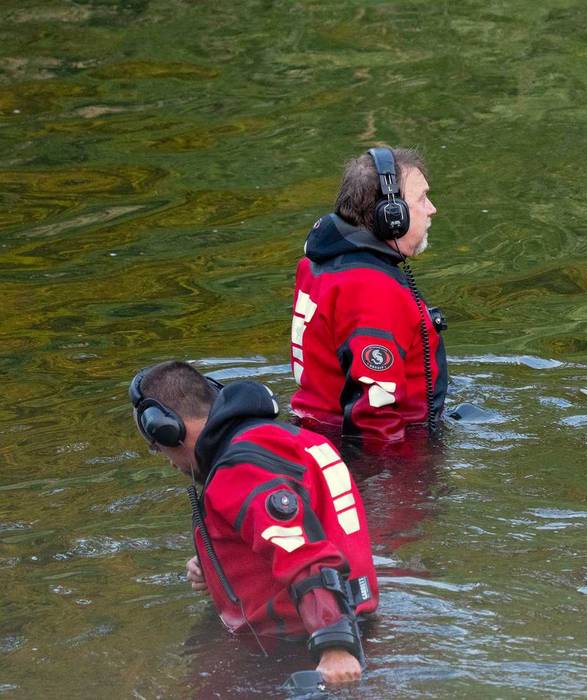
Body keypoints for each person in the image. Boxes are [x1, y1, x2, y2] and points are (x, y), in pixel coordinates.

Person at [129, 361, 378, 686]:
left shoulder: (239, 470)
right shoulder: (292, 440)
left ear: (167, 428)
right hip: (356, 625)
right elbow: (313, 527)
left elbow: (303, 552)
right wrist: (217, 564)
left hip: (301, 654)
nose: (166, 459)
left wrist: (334, 646)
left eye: (157, 447)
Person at [290, 146, 448, 443]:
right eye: (422, 198)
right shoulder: (372, 289)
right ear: (392, 215)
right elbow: (373, 415)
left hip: (318, 432)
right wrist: (392, 482)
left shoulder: (318, 265)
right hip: (384, 452)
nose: (431, 209)